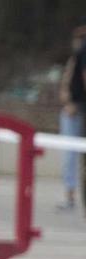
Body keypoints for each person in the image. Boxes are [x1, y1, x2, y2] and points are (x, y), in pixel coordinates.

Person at [60, 25, 85, 213]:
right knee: (69, 155)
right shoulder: (76, 58)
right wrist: (68, 102)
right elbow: (66, 83)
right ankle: (69, 196)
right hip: (74, 110)